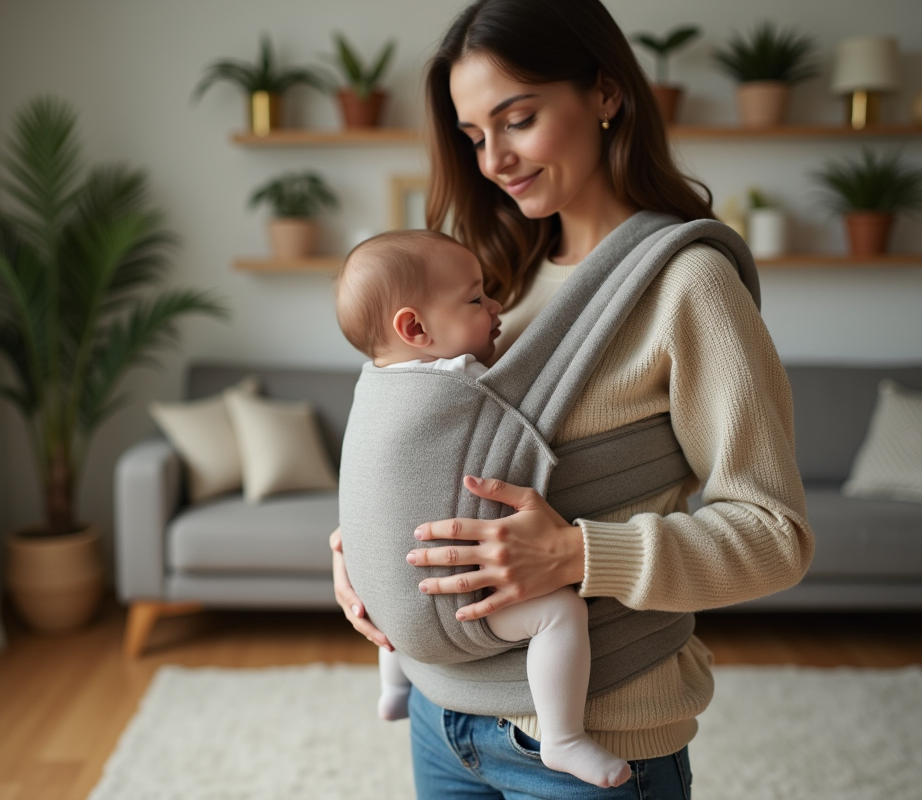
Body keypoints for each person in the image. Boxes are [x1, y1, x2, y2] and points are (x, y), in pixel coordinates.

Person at [329, 0, 814, 797]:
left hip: (602, 730)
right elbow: (429, 453)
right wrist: (363, 555)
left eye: (517, 120)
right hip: (439, 714)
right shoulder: (494, 278)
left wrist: (576, 553)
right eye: (474, 136)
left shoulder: (687, 285)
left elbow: (775, 536)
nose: (494, 160)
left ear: (606, 93)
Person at [335, 228, 633, 789]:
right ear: (415, 329)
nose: (496, 307)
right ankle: (563, 737)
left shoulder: (374, 383)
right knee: (560, 614)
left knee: (395, 587)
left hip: (389, 606)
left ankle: (393, 687)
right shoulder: (461, 379)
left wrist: (361, 544)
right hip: (451, 607)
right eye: (476, 299)